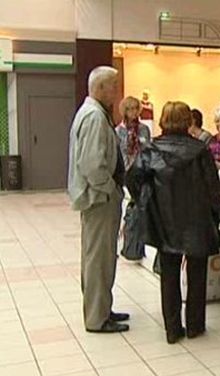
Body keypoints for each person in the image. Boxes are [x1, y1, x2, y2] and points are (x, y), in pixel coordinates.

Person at [126, 101, 220, 344]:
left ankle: (172, 328)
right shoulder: (200, 150)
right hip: (197, 219)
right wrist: (217, 214)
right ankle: (195, 325)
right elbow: (213, 188)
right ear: (187, 121)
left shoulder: (151, 150)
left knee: (168, 275)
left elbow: (132, 179)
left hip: (164, 220)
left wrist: (146, 200)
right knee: (197, 274)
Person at [67, 66, 129, 333]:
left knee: (102, 257)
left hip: (99, 197)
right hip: (99, 198)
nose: (117, 91)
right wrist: (110, 189)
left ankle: (102, 308)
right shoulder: (93, 116)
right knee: (98, 259)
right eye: (114, 85)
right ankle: (96, 318)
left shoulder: (93, 112)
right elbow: (92, 165)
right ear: (100, 88)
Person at [116, 96, 152, 262]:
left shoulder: (144, 129)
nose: (133, 112)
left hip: (141, 175)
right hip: (125, 175)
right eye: (129, 109)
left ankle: (138, 245)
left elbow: (148, 151)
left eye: (135, 109)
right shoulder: (119, 131)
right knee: (126, 208)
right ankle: (125, 242)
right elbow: (120, 154)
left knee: (139, 207)